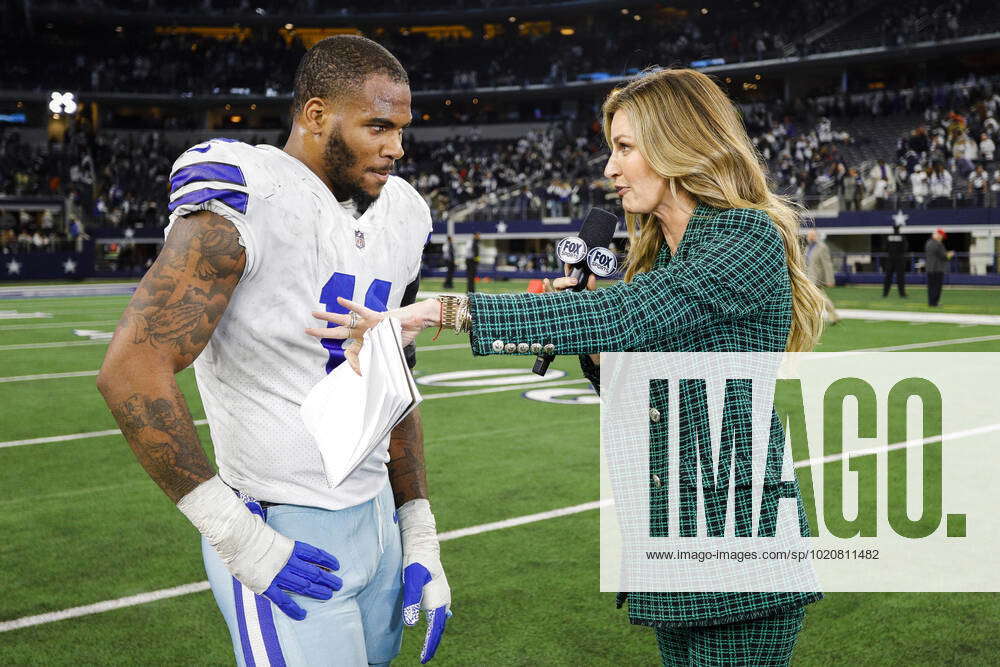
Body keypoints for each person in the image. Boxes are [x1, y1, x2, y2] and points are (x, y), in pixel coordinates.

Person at [317, 68, 827, 666]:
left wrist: (440, 310)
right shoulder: (665, 255)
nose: (610, 168)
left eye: (625, 147)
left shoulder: (743, 237)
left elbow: (624, 314)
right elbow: (641, 392)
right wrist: (589, 344)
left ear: (678, 144)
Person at [97, 36, 450, 666]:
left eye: (400, 128)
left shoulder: (406, 213)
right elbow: (130, 370)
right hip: (283, 524)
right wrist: (238, 538)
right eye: (377, 127)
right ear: (316, 116)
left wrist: (418, 530)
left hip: (377, 523)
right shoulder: (246, 194)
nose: (396, 147)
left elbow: (394, 376)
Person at [805, 229, 840, 323]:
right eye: (809, 235)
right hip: (808, 277)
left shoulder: (822, 247)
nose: (810, 237)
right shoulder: (808, 248)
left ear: (816, 236)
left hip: (816, 278)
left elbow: (827, 264)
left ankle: (811, 317)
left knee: (819, 297)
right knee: (820, 297)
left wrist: (830, 280)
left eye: (812, 235)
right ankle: (833, 315)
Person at [925, 228, 953, 307]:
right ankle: (934, 303)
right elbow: (943, 256)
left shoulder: (928, 243)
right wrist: (949, 255)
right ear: (937, 235)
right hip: (937, 268)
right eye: (941, 236)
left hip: (930, 268)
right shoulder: (937, 244)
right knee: (937, 287)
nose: (941, 238)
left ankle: (931, 303)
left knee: (931, 287)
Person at [883, 224, 908, 297]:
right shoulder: (902, 237)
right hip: (899, 260)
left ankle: (885, 294)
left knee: (888, 277)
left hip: (890, 259)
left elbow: (885, 248)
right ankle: (902, 294)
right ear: (899, 229)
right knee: (900, 277)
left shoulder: (889, 237)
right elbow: (905, 248)